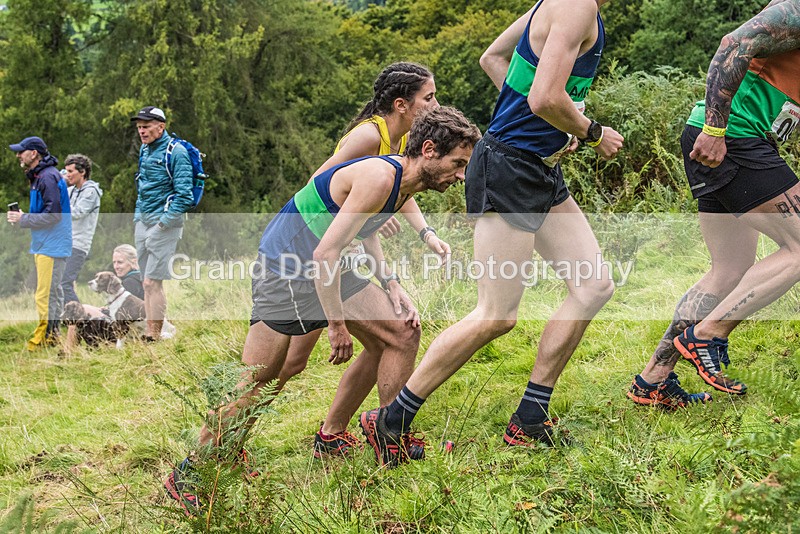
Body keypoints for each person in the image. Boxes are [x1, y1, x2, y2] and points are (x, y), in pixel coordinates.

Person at [164, 107, 481, 513]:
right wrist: (336, 326)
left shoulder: (404, 183)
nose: (460, 176)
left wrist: (391, 283)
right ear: (430, 150)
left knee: (402, 331)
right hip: (287, 268)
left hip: (321, 268)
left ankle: (390, 436)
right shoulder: (380, 177)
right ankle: (191, 471)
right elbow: (325, 252)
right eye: (457, 164)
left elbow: (363, 232)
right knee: (257, 379)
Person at [360, 0, 624, 466]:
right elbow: (545, 97)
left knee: (594, 284)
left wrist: (545, 122)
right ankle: (392, 419)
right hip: (511, 167)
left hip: (538, 167)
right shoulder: (576, 6)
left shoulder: (558, 5)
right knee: (496, 314)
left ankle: (530, 418)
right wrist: (591, 131)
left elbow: (493, 58)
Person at [628, 0, 800, 406]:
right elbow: (732, 44)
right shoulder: (794, 11)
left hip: (732, 141)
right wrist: (715, 127)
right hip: (728, 139)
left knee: (729, 268)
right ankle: (708, 333)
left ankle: (653, 380)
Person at [276, 62, 449, 456]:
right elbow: (318, 188)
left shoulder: (399, 138)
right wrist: (358, 224)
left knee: (387, 337)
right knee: (286, 365)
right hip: (309, 252)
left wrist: (425, 234)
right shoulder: (367, 137)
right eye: (430, 97)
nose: (436, 103)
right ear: (402, 103)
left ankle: (335, 435)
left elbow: (402, 188)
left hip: (334, 253)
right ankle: (227, 435)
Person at [131, 105, 193, 341]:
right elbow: (142, 187)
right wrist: (138, 218)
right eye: (139, 128)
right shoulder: (145, 151)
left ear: (161, 126)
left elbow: (185, 195)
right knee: (146, 283)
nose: (142, 132)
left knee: (152, 281)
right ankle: (154, 330)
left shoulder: (175, 152)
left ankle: (153, 335)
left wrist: (162, 225)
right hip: (143, 222)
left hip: (164, 226)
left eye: (146, 127)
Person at [6, 136, 72, 351]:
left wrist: (23, 219)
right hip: (46, 244)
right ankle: (53, 338)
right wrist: (25, 216)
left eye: (21, 151)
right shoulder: (40, 177)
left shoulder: (46, 177)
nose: (18, 155)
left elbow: (54, 216)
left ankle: (41, 341)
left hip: (51, 247)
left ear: (33, 153)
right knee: (52, 294)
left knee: (45, 295)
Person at [61, 154, 102, 304]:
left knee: (64, 283)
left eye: (71, 171)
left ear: (82, 171)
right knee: (60, 283)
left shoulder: (91, 192)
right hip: (65, 242)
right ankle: (67, 321)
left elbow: (77, 213)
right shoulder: (72, 191)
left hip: (78, 244)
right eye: (66, 171)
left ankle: (80, 321)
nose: (68, 175)